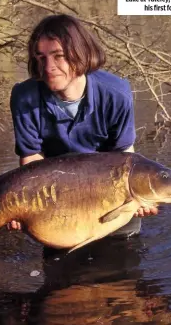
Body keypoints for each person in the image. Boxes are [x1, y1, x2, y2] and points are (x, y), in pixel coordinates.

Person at [8, 14, 158, 234]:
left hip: (111, 195)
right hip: (56, 194)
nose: (48, 67)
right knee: (61, 263)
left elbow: (124, 156)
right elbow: (31, 159)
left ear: (80, 54)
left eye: (58, 56)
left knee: (124, 253)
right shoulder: (24, 97)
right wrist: (23, 205)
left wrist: (137, 196)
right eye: (41, 58)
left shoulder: (116, 93)